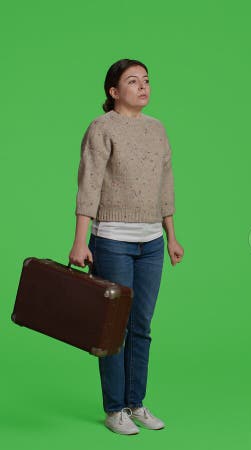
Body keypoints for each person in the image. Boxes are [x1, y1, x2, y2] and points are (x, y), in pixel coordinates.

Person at [68, 59, 184, 435]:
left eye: (147, 80)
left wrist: (171, 235)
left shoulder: (158, 129)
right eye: (132, 81)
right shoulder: (102, 129)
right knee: (112, 326)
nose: (143, 87)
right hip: (112, 240)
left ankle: (136, 403)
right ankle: (114, 408)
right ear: (113, 92)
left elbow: (165, 184)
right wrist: (80, 242)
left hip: (151, 242)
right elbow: (89, 186)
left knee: (142, 325)